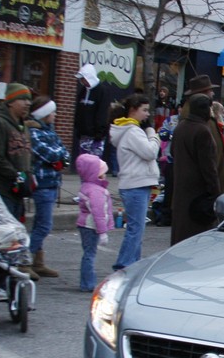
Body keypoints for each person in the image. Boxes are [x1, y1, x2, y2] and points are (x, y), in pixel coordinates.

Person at [109, 94, 159, 270]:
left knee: (136, 229)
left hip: (134, 184)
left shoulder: (127, 130)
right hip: (136, 184)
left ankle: (132, 265)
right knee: (135, 230)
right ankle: (124, 265)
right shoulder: (133, 131)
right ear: (133, 110)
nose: (147, 114)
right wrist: (153, 136)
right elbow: (149, 153)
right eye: (144, 110)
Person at [27, 96, 70, 278]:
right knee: (44, 226)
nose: (55, 114)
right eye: (52, 112)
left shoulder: (50, 131)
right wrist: (59, 156)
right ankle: (24, 259)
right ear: (43, 114)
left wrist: (60, 156)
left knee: (40, 224)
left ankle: (38, 262)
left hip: (53, 182)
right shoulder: (34, 132)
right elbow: (50, 154)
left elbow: (64, 153)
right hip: (42, 184)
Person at [171, 94, 223, 245]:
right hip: (198, 195)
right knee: (195, 238)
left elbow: (174, 152)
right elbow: (208, 167)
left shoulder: (181, 127)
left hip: (182, 190)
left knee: (180, 234)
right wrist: (215, 193)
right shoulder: (202, 131)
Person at [0, 83, 34, 222]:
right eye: (23, 99)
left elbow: (28, 155)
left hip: (18, 193)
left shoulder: (23, 127)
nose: (28, 103)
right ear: (11, 101)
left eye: (29, 100)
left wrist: (29, 175)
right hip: (2, 192)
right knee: (5, 235)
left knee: (16, 236)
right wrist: (17, 176)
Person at [75, 153, 115, 292]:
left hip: (85, 225)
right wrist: (103, 232)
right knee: (90, 255)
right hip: (91, 226)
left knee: (88, 253)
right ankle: (88, 284)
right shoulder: (96, 191)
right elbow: (99, 214)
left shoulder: (87, 187)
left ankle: (86, 281)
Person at [73, 64, 114, 164]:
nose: (82, 81)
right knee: (83, 164)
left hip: (96, 137)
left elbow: (102, 113)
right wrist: (78, 128)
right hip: (84, 135)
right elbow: (79, 111)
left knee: (95, 166)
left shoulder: (102, 91)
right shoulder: (83, 91)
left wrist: (99, 133)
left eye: (84, 78)